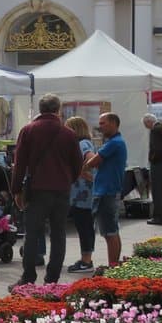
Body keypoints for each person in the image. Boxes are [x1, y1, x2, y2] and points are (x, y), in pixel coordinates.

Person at [9, 94, 82, 289]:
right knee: (58, 234)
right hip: (61, 190)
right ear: (58, 109)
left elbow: (20, 163)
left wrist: (16, 190)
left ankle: (28, 277)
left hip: (37, 189)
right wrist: (68, 179)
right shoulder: (68, 133)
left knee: (32, 233)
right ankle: (52, 278)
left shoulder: (28, 130)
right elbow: (77, 164)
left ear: (40, 109)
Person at [84, 113, 128, 267]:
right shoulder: (115, 142)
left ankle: (113, 267)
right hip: (108, 190)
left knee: (109, 232)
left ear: (114, 123)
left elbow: (93, 162)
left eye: (103, 123)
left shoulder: (114, 143)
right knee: (111, 230)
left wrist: (86, 160)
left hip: (107, 191)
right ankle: (114, 265)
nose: (100, 126)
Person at [65, 116, 97, 273]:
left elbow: (90, 158)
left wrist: (81, 171)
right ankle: (86, 258)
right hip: (82, 192)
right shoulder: (84, 143)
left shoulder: (82, 144)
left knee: (84, 226)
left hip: (82, 193)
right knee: (85, 225)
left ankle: (86, 260)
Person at [142, 113, 162, 226]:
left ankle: (159, 217)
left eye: (146, 125)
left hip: (158, 164)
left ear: (149, 122)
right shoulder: (161, 127)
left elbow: (157, 149)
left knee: (157, 191)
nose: (146, 127)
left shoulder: (155, 130)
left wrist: (152, 159)